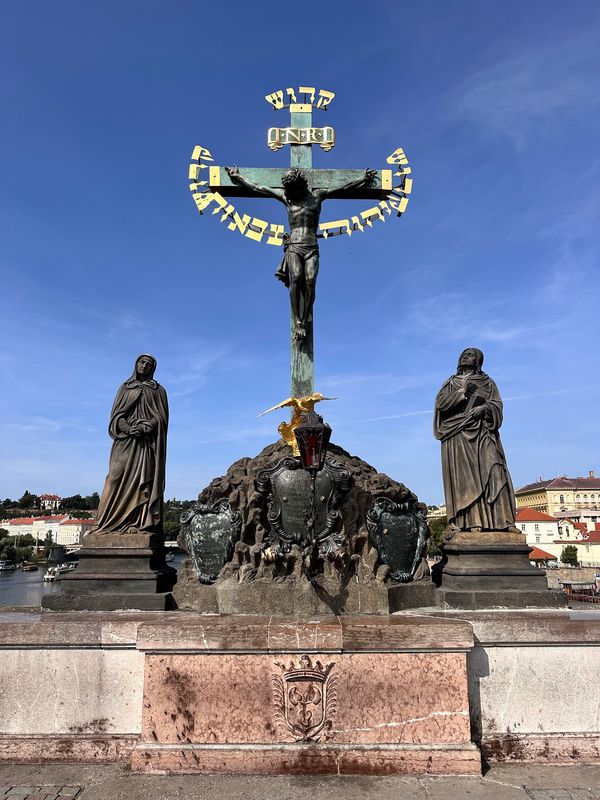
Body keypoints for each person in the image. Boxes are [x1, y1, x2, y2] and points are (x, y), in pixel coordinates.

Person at [225, 165, 376, 340]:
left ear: (300, 184)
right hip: (294, 246)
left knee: (310, 281)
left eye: (293, 188)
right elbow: (259, 188)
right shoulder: (287, 198)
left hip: (311, 246)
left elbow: (343, 188)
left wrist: (363, 180)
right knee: (296, 277)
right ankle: (298, 322)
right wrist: (238, 177)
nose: (290, 192)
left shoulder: (317, 196)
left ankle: (304, 319)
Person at [433, 348, 516, 532]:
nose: (464, 356)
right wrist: (461, 392)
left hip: (483, 432)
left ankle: (503, 522)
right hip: (458, 435)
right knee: (466, 481)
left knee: (495, 469)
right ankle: (471, 522)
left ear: (478, 361)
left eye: (470, 354)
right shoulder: (452, 383)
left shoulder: (488, 383)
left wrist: (484, 409)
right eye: (463, 354)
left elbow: (497, 405)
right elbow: (441, 405)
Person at [94, 354, 168, 535]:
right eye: (142, 362)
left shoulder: (158, 391)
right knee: (113, 478)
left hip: (146, 444)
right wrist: (127, 428)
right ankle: (103, 524)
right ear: (136, 364)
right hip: (125, 441)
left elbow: (162, 419)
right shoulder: (125, 388)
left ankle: (139, 523)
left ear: (153, 368)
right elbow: (116, 417)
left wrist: (147, 426)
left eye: (149, 364)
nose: (145, 366)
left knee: (144, 483)